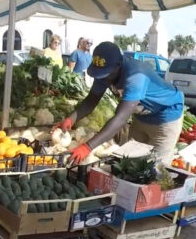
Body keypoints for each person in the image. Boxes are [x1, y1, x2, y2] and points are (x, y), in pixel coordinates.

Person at [54, 41, 185, 165]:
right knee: (131, 161)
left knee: (156, 167)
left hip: (166, 116)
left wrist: (87, 147)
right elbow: (91, 100)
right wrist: (70, 120)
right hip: (142, 116)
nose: (103, 78)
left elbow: (120, 119)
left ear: (118, 66)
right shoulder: (104, 73)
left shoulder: (135, 76)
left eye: (106, 74)